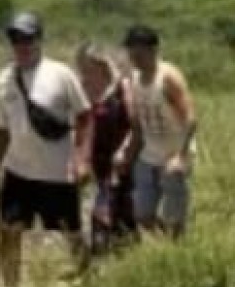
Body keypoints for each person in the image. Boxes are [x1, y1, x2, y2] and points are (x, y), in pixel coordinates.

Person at [0, 12, 91, 287]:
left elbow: (85, 116)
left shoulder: (60, 74)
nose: (22, 44)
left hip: (57, 172)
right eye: (16, 39)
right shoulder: (4, 79)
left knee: (71, 233)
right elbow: (2, 127)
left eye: (28, 38)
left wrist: (81, 158)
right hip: (18, 170)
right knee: (8, 231)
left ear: (39, 40)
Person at [119, 24, 199, 239]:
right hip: (148, 155)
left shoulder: (168, 78)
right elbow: (137, 124)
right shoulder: (134, 79)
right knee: (142, 214)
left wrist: (180, 158)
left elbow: (191, 119)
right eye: (131, 51)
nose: (135, 57)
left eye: (140, 52)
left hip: (173, 155)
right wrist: (127, 153)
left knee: (174, 218)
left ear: (153, 50)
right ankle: (168, 238)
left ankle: (177, 248)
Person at [77, 44, 136, 256]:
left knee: (118, 217)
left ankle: (118, 265)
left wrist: (124, 150)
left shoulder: (122, 87)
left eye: (88, 67)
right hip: (100, 165)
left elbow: (135, 125)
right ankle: (101, 264)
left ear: (101, 65)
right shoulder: (85, 90)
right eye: (82, 67)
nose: (85, 72)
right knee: (102, 215)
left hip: (124, 163)